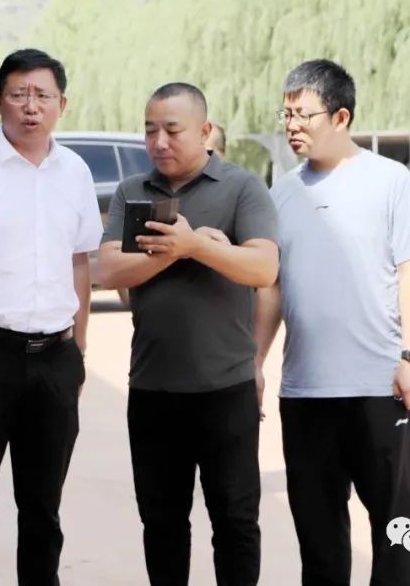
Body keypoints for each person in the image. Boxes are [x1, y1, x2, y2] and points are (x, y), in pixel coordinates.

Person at [255, 59, 410, 586]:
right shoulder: (283, 192)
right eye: (286, 115)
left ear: (340, 117)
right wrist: (255, 362)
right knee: (319, 542)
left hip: (380, 389)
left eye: (303, 115)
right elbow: (273, 287)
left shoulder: (390, 181)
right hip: (305, 394)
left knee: (396, 532)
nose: (292, 126)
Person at [96, 82, 278, 586]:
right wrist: (177, 251)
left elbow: (263, 268)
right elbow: (109, 270)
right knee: (162, 523)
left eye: (172, 130)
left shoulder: (242, 188)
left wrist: (195, 246)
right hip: (153, 388)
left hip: (226, 388)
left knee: (235, 521)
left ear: (205, 131)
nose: (159, 142)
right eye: (150, 130)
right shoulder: (133, 191)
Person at [0, 48, 101, 585]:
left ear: (62, 104)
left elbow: (79, 261)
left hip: (55, 354)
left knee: (43, 505)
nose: (31, 106)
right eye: (19, 94)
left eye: (42, 96)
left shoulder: (75, 171)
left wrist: (78, 350)